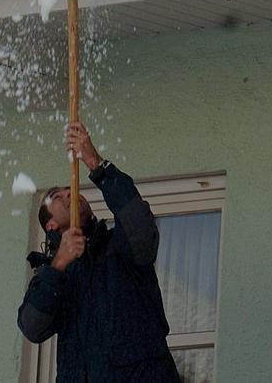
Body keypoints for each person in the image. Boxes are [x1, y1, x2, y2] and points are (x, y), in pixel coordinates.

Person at [17, 122, 181, 382]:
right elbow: (33, 327)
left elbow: (139, 225)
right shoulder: (55, 278)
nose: (70, 193)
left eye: (70, 189)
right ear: (50, 225)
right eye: (57, 198)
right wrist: (58, 264)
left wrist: (96, 163)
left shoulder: (119, 247)